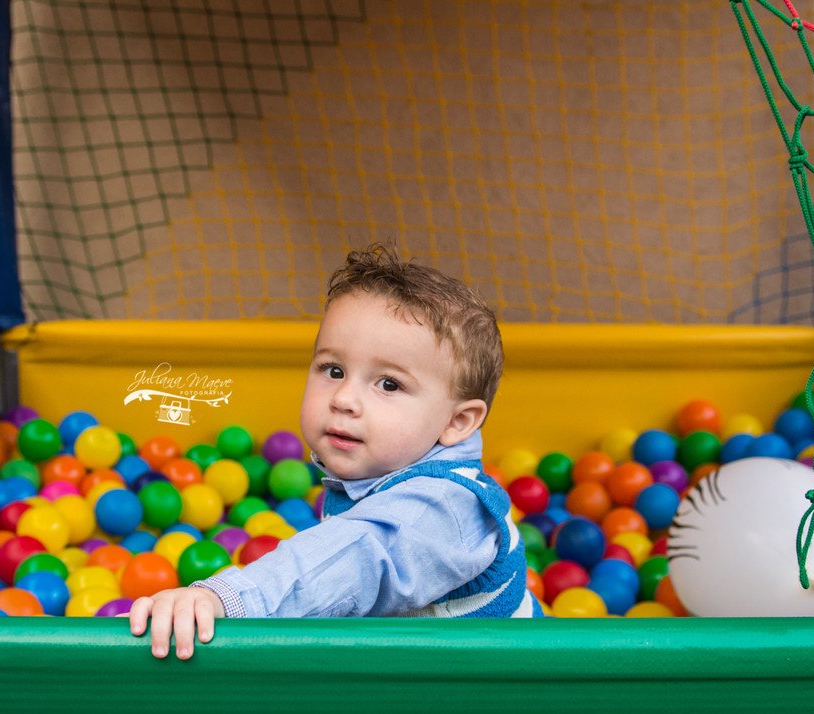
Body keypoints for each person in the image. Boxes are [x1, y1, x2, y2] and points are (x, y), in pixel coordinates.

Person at [126, 243, 539, 659]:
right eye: (333, 370)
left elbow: (357, 556)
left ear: (457, 422)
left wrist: (227, 599)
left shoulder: (442, 507)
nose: (344, 398)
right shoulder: (383, 469)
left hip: (507, 698)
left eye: (389, 384)